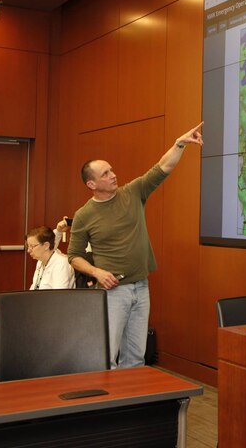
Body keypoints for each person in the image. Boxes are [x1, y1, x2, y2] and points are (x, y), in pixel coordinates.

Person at [67, 122, 204, 369]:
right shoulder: (83, 215)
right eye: (105, 174)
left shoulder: (132, 192)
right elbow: (74, 256)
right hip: (113, 292)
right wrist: (97, 272)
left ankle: (133, 403)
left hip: (141, 286)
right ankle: (108, 405)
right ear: (91, 185)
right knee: (107, 357)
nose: (113, 175)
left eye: (112, 170)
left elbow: (162, 167)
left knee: (136, 357)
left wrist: (180, 143)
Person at [26, 219, 76, 290]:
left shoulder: (61, 264)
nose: (28, 250)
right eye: (28, 246)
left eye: (32, 246)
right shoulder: (40, 261)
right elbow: (34, 287)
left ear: (46, 246)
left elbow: (58, 297)